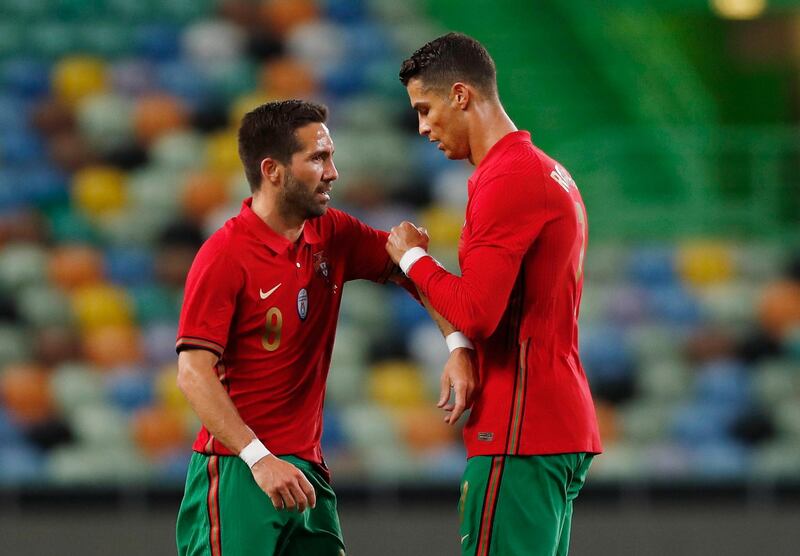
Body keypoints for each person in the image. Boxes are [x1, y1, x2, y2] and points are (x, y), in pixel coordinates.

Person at [174, 99, 436, 556]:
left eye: (330, 157)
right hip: (241, 470)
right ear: (273, 170)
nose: (333, 172)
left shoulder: (331, 233)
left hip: (306, 473)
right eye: (318, 158)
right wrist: (259, 459)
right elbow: (193, 372)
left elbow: (415, 270)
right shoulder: (223, 257)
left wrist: (459, 345)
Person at [386, 33, 603, 556]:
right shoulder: (546, 170)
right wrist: (459, 349)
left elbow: (478, 313)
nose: (422, 127)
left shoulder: (508, 178)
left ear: (460, 94)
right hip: (551, 423)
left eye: (425, 108)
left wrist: (411, 258)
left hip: (518, 428)